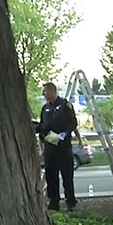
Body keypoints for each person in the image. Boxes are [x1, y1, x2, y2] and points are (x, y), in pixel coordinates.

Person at [38, 82, 78, 211]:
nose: (44, 94)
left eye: (46, 91)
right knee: (51, 175)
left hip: (63, 147)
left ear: (52, 91)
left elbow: (73, 123)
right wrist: (41, 134)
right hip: (50, 147)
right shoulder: (45, 108)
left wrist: (65, 133)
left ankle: (70, 202)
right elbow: (43, 125)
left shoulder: (64, 105)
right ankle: (54, 201)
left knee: (67, 175)